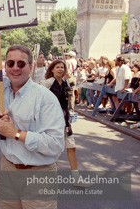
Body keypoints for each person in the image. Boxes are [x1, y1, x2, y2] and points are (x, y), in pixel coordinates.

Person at [0, 46, 65, 209]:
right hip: (7, 169)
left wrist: (16, 133)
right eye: (11, 63)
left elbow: (56, 144)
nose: (15, 68)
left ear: (30, 67)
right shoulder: (2, 92)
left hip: (38, 174)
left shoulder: (45, 98)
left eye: (21, 63)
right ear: (5, 67)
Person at [40, 59, 91, 188]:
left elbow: (69, 98)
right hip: (51, 121)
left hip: (65, 120)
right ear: (52, 69)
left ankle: (76, 177)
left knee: (71, 147)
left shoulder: (66, 82)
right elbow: (37, 92)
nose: (60, 69)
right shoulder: (48, 83)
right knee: (50, 149)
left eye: (62, 67)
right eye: (57, 67)